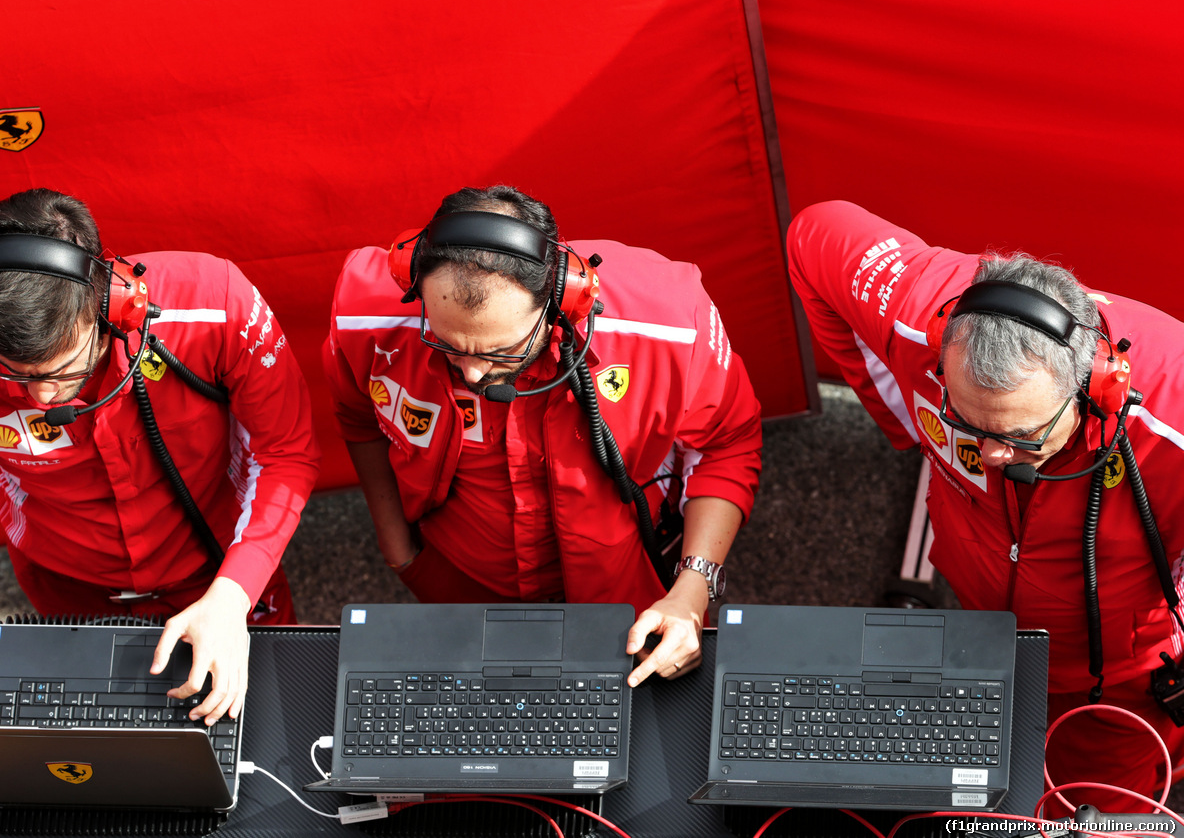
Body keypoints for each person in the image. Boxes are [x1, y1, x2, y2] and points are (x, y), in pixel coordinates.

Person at [0, 188, 320, 821]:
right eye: (18, 375)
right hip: (65, 582)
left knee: (269, 775)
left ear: (114, 302)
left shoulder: (219, 302)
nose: (42, 398)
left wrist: (233, 596)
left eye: (64, 369)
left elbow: (285, 453)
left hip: (223, 573)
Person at [787, 199, 1184, 806]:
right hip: (980, 625)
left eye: (1022, 438)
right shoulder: (917, 311)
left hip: (1119, 683)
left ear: (1097, 386)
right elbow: (815, 233)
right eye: (969, 425)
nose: (994, 458)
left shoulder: (1173, 418)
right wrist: (905, 419)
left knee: (1099, 812)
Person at [323, 185, 761, 689]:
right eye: (446, 345)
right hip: (456, 582)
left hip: (631, 594)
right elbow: (356, 418)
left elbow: (728, 444)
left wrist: (691, 593)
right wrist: (398, 550)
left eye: (501, 352)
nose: (470, 374)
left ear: (564, 298)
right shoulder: (361, 318)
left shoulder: (673, 322)